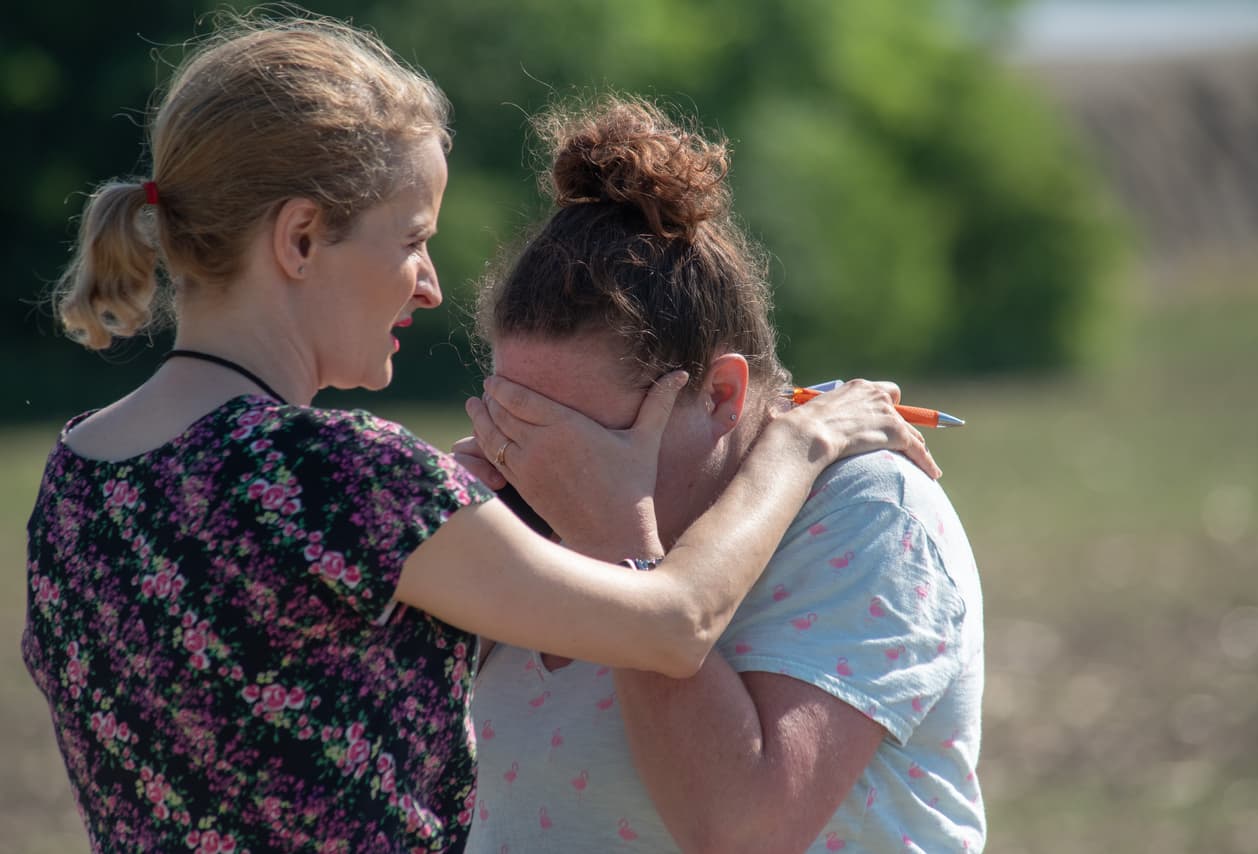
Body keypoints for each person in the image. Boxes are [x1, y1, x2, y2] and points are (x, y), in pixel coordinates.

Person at [20, 15, 938, 854]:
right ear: (300, 240)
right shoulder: (350, 477)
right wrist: (802, 443)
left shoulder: (76, 475)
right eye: (412, 238)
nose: (428, 285)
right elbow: (678, 622)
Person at [456, 97, 985, 853]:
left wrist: (615, 541)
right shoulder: (508, 504)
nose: (535, 464)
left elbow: (741, 830)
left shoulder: (872, 509)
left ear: (722, 395)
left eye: (580, 435)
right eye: (514, 420)